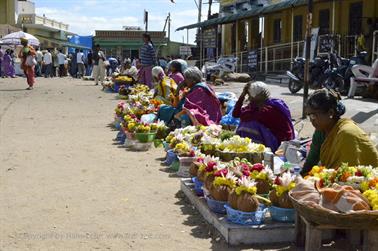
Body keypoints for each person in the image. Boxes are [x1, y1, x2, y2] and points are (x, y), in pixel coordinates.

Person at [302, 89, 378, 173]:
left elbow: (348, 175)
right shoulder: (320, 131)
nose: (311, 120)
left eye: (313, 115)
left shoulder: (346, 134)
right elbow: (311, 161)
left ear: (330, 113)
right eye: (309, 116)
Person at [232, 81, 295, 152]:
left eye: (249, 95)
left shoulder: (268, 109)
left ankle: (259, 150)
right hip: (274, 138)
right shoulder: (255, 107)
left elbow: (238, 115)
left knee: (248, 124)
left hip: (280, 144)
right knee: (246, 122)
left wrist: (242, 95)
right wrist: (242, 95)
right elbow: (235, 114)